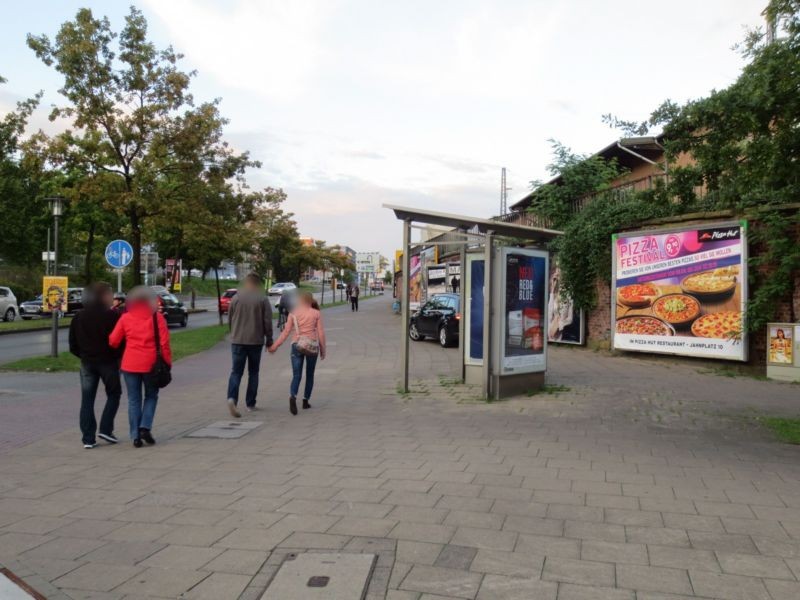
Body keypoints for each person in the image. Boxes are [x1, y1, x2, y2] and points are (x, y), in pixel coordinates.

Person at [109, 286, 171, 448]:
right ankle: (145, 426)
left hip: (130, 364)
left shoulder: (125, 318)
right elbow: (164, 344)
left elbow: (113, 341)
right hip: (151, 365)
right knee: (151, 396)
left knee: (133, 400)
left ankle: (135, 436)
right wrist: (167, 363)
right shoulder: (157, 318)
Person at [69, 282, 122, 448]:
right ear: (104, 296)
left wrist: (84, 355)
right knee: (114, 393)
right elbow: (120, 340)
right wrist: (116, 357)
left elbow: (73, 344)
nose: (112, 297)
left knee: (87, 399)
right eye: (109, 294)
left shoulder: (79, 317)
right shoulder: (113, 316)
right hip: (108, 362)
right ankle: (106, 428)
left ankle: (88, 438)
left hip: (87, 363)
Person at [269, 291, 326, 415]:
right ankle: (305, 401)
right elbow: (321, 333)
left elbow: (285, 332)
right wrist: (323, 349)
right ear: (311, 301)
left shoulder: (293, 313)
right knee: (310, 374)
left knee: (296, 375)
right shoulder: (316, 313)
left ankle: (293, 396)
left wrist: (275, 346)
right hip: (311, 346)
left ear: (300, 301)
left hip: (296, 345)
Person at [226, 273, 274, 418]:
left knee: (236, 372)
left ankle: (232, 399)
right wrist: (269, 339)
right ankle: (250, 403)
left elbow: (230, 319)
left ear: (246, 283)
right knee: (253, 372)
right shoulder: (262, 298)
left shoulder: (235, 298)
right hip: (255, 341)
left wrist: (233, 332)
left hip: (237, 340)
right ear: (257, 284)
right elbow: (267, 321)